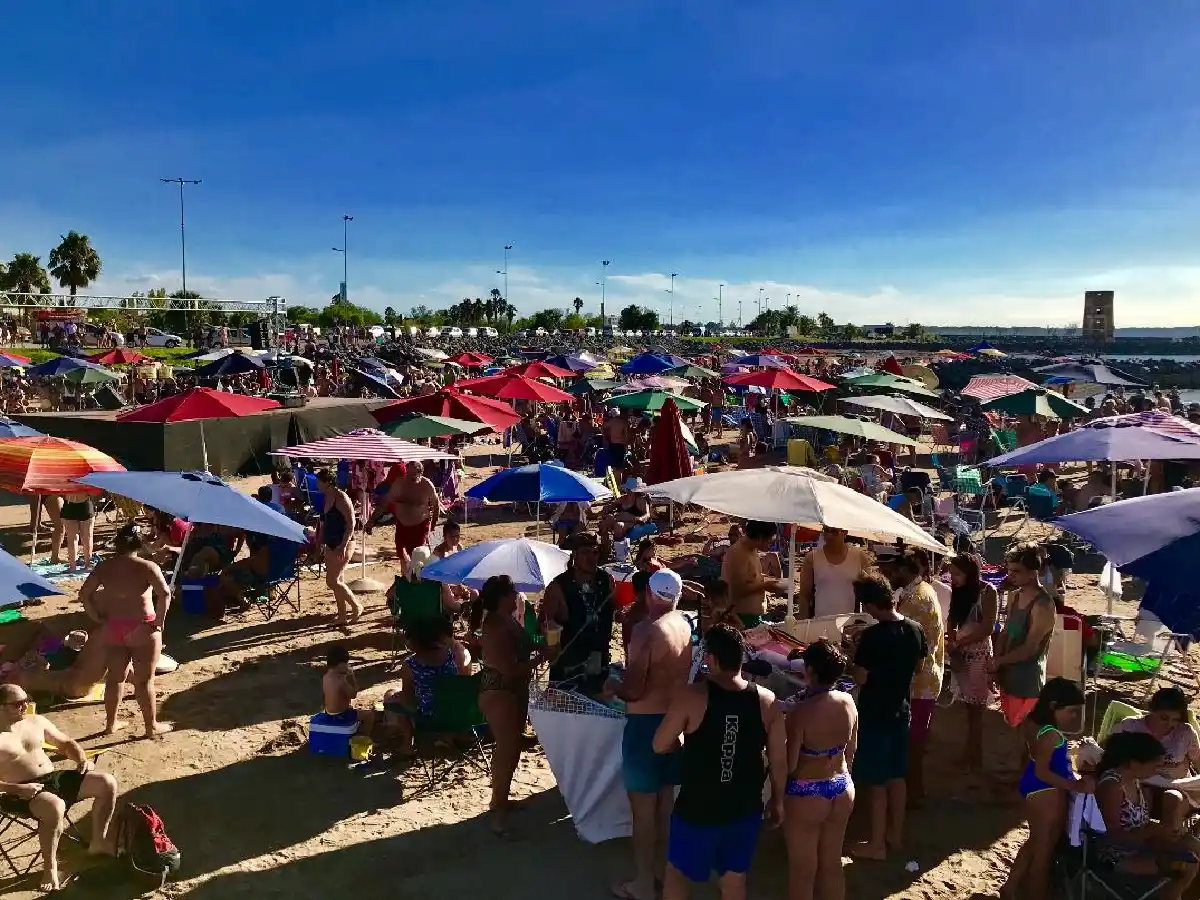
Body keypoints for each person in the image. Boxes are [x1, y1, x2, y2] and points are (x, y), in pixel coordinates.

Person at [652, 624, 786, 900]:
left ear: (711, 659)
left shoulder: (693, 696)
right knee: (734, 881)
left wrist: (681, 744)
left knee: (677, 876)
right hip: (744, 806)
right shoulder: (767, 701)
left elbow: (659, 744)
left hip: (698, 807)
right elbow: (779, 759)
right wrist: (779, 800)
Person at [606, 569, 694, 900]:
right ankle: (666, 876)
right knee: (666, 806)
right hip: (674, 723)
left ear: (648, 595)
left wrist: (611, 687)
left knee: (643, 811)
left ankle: (643, 883)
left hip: (645, 725)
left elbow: (634, 690)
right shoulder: (684, 625)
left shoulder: (646, 631)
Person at [0, 684, 120, 891]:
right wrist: (19, 789)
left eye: (26, 700)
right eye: (18, 704)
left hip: (53, 779)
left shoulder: (35, 721)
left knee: (106, 782)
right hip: (18, 790)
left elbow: (64, 743)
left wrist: (81, 759)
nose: (25, 706)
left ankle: (98, 841)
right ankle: (50, 867)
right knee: (54, 806)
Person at [847, 569, 928, 861]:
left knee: (877, 782)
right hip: (900, 710)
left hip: (875, 712)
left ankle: (877, 844)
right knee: (897, 777)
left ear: (869, 605)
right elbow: (918, 669)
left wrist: (850, 655)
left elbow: (860, 677)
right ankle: (895, 835)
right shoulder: (916, 629)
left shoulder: (872, 636)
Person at [999, 678, 1092, 900]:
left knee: (1035, 842)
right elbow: (1043, 771)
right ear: (1053, 706)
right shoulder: (1052, 734)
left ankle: (1011, 886)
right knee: (1043, 852)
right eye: (1070, 711)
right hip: (1045, 790)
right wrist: (1075, 785)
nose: (1073, 717)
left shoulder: (1033, 723)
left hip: (1033, 788)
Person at [79, 524, 172, 739]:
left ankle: (111, 725)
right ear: (140, 543)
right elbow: (164, 593)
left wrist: (96, 617)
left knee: (115, 678)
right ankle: (151, 727)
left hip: (114, 626)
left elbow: (85, 594)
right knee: (144, 681)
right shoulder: (147, 566)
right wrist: (159, 621)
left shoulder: (104, 567)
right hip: (142, 625)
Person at [783, 640, 858, 900]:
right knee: (832, 865)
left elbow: (791, 765)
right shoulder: (848, 701)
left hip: (807, 791)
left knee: (802, 872)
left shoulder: (801, 712)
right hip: (841, 787)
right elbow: (851, 752)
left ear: (810, 670)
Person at [474, 575, 543, 838]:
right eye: (513, 591)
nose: (517, 595)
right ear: (503, 597)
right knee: (506, 749)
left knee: (512, 747)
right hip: (500, 691)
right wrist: (542, 658)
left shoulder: (506, 620)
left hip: (512, 691)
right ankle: (498, 814)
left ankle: (500, 800)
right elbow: (509, 670)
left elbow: (524, 647)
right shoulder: (495, 626)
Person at [1093, 731, 1199, 900]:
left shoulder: (1135, 781)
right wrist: (1152, 832)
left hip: (1139, 844)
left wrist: (1161, 831)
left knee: (1193, 846)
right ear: (1134, 763)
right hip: (1116, 855)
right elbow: (1111, 836)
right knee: (1184, 864)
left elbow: (1140, 822)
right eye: (1154, 765)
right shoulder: (1112, 786)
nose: (1158, 770)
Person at [889, 550, 945, 807]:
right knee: (916, 738)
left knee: (913, 740)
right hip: (925, 677)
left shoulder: (916, 600)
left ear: (903, 570)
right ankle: (914, 789)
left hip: (919, 681)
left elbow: (909, 648)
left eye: (891, 569)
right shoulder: (920, 591)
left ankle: (914, 791)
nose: (888, 575)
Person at [1112, 688, 1200, 832]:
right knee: (1145, 793)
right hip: (1140, 784)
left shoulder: (1185, 733)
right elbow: (1111, 757)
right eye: (1164, 718)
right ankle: (1145, 841)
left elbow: (1198, 763)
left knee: (1171, 797)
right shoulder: (1130, 727)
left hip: (1177, 787)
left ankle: (1170, 842)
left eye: (1175, 720)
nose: (1170, 724)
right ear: (1151, 710)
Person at [991, 543, 1057, 732]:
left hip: (1027, 681)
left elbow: (1030, 649)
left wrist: (999, 661)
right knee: (1012, 733)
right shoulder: (1015, 596)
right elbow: (1006, 632)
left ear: (1033, 572)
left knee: (1026, 738)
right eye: (1009, 570)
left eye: (1016, 571)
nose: (1010, 575)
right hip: (1008, 674)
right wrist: (998, 663)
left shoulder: (1043, 605)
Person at [385, 616, 471, 755]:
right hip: (457, 713)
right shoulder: (453, 658)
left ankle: (407, 745)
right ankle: (450, 736)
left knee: (393, 699)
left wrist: (400, 698)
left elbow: (408, 696)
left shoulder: (410, 665)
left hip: (429, 718)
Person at [944, 554, 998, 773]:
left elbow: (988, 626)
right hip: (960, 653)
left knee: (976, 710)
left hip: (978, 655)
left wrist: (959, 642)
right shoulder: (958, 592)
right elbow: (951, 619)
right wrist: (951, 640)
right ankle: (971, 755)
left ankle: (975, 758)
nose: (953, 578)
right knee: (968, 708)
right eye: (952, 573)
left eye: (957, 573)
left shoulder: (987, 591)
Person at [541, 532, 616, 687]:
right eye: (585, 553)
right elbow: (544, 622)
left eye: (595, 552)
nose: (591, 558)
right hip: (568, 666)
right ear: (574, 554)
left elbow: (612, 611)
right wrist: (551, 637)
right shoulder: (558, 587)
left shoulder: (606, 580)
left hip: (599, 660)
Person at [369, 460, 441, 572]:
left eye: (414, 475)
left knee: (418, 558)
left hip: (420, 527)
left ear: (420, 473)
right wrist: (372, 520)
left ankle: (417, 581)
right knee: (403, 558)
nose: (410, 478)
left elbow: (436, 507)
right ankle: (405, 581)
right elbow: (385, 503)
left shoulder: (427, 486)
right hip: (402, 526)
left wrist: (433, 527)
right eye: (408, 474)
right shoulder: (399, 484)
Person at [316, 468, 362, 631]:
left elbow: (351, 523)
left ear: (327, 481)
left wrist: (343, 545)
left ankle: (356, 606)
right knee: (338, 581)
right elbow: (323, 522)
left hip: (344, 543)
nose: (317, 484)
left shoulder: (341, 496)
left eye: (319, 481)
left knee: (332, 581)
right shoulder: (326, 497)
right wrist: (319, 542)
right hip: (331, 543)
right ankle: (342, 615)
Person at [796, 527, 870, 618]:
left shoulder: (859, 557)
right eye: (826, 531)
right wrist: (803, 624)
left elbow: (868, 595)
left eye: (834, 532)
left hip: (850, 623)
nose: (829, 535)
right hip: (820, 622)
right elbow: (804, 595)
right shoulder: (812, 558)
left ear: (845, 532)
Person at [721, 520, 782, 629]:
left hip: (752, 616)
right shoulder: (738, 553)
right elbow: (737, 590)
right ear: (759, 537)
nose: (770, 545)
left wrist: (772, 582)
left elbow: (752, 577)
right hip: (742, 617)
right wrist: (766, 585)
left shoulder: (752, 550)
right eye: (769, 541)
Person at [321, 645, 376, 737]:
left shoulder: (326, 676)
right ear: (340, 665)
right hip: (341, 716)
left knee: (349, 707)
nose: (347, 665)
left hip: (328, 713)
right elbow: (353, 694)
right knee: (369, 715)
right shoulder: (341, 681)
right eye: (346, 663)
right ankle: (363, 737)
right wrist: (352, 677)